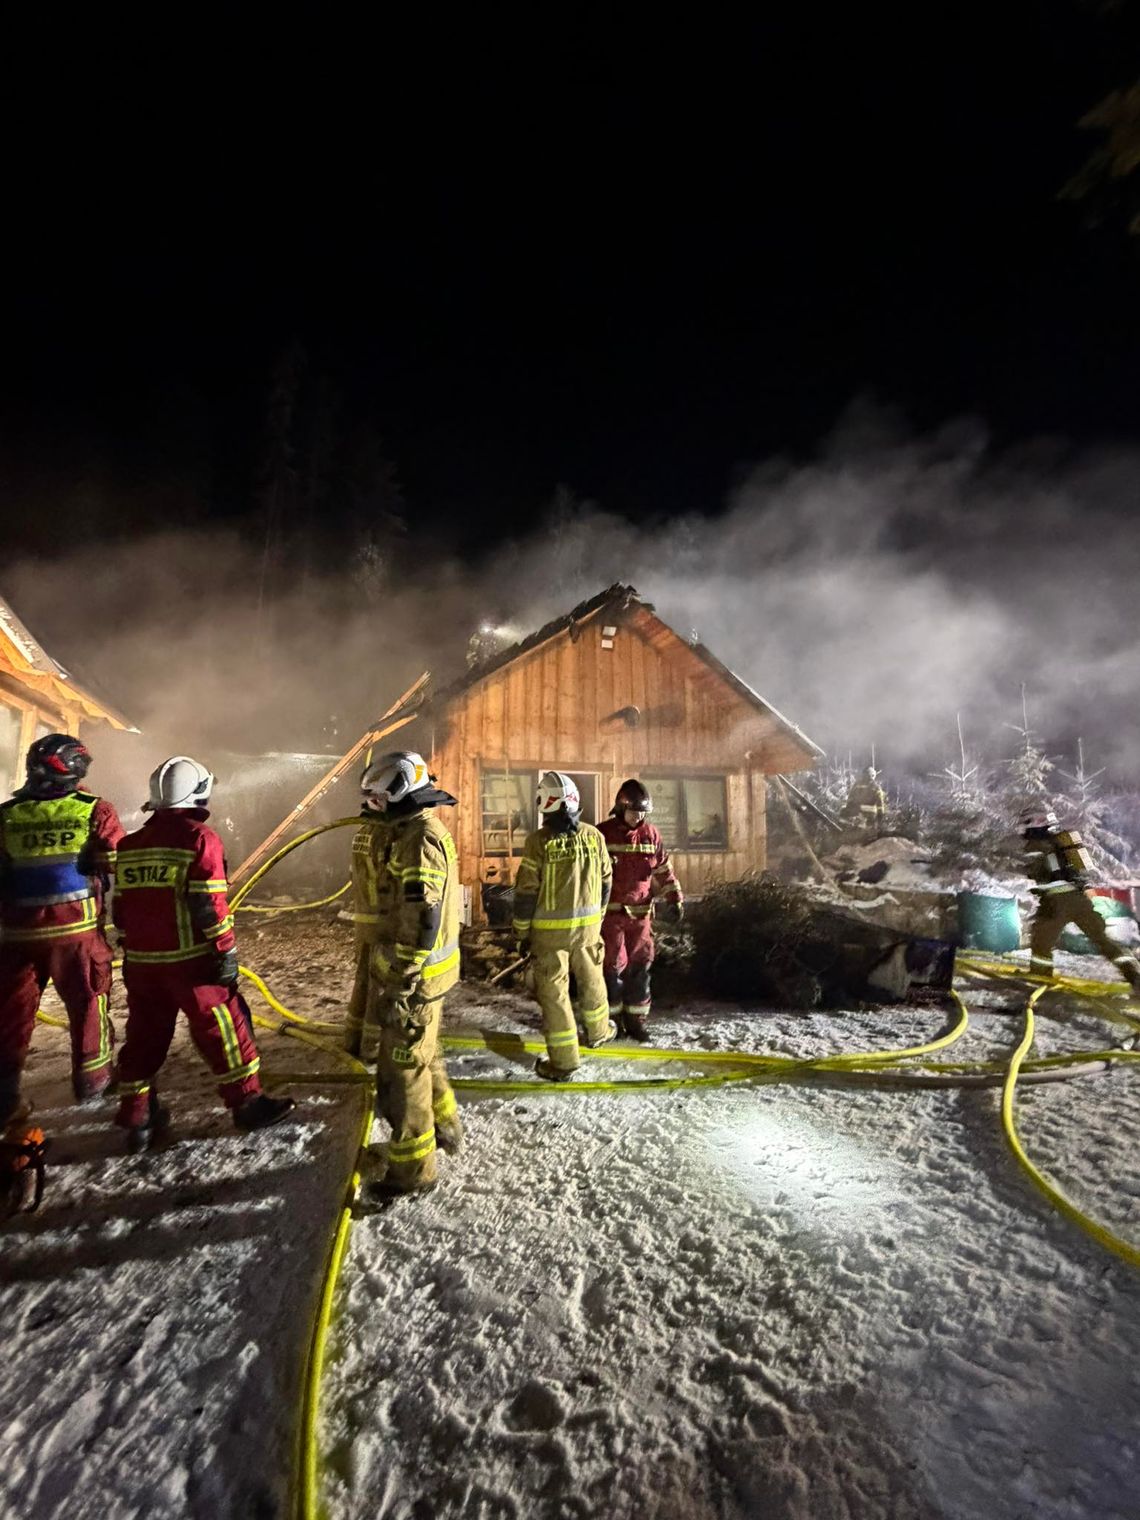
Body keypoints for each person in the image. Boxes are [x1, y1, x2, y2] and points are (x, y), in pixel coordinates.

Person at [112, 756, 295, 1151]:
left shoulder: (129, 845)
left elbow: (121, 909)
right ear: (198, 792)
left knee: (143, 1037)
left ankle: (137, 1118)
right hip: (191, 964)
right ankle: (247, 1104)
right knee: (224, 1029)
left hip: (141, 965)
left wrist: (133, 948)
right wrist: (225, 951)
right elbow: (209, 906)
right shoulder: (200, 839)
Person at [351, 751, 462, 1198]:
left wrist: (401, 974)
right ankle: (445, 1127)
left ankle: (414, 1170)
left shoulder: (418, 838)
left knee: (404, 1070)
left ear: (398, 793)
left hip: (415, 979)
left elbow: (422, 917)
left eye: (377, 799)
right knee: (425, 1055)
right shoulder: (416, 830)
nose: (372, 807)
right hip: (429, 975)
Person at [0, 733, 122, 1128]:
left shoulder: (6, 815)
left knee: (10, 1016)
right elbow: (118, 860)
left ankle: (4, 1095)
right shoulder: (95, 809)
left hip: (16, 937)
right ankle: (93, 1082)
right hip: (76, 934)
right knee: (88, 1005)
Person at [512, 771, 615, 1081]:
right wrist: (598, 917)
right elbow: (607, 881)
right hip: (588, 932)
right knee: (592, 981)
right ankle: (598, 1032)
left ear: (544, 804)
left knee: (555, 997)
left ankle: (565, 1062)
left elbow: (526, 894)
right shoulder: (594, 836)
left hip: (550, 938)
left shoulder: (538, 842)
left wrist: (521, 933)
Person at [597, 779, 684, 1040]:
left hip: (641, 917)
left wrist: (674, 899)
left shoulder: (651, 834)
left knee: (640, 967)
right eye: (634, 812)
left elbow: (664, 870)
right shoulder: (602, 834)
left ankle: (636, 1022)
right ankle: (612, 1022)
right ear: (621, 808)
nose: (639, 817)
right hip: (611, 917)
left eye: (643, 813)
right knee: (612, 968)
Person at [1020, 805, 1140, 990]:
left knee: (1041, 942)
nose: (1024, 827)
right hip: (1080, 899)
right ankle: (1133, 974)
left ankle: (1039, 977)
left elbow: (1039, 874)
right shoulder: (1061, 842)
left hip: (1057, 903)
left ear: (1034, 822)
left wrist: (1036, 886)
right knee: (1102, 939)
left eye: (1026, 822)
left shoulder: (1035, 845)